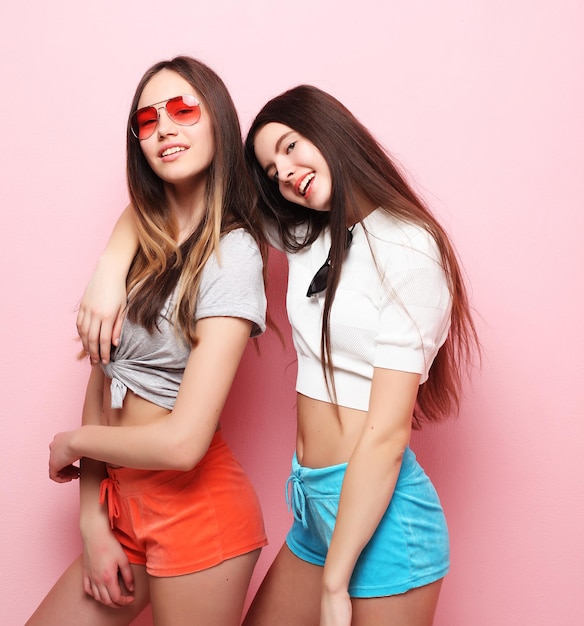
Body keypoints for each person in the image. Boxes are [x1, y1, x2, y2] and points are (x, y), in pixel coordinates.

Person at [77, 85, 479, 626]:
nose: (284, 172)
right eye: (270, 169)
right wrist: (108, 269)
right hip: (314, 505)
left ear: (332, 132)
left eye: (291, 147)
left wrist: (335, 583)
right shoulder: (304, 232)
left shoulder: (410, 248)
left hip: (381, 517)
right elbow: (183, 201)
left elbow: (386, 435)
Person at [26, 56, 269, 626]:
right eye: (147, 119)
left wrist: (73, 443)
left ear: (220, 125)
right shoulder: (142, 237)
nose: (164, 127)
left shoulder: (234, 256)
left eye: (185, 110)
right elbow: (104, 374)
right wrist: (92, 520)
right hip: (121, 506)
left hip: (198, 511)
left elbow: (184, 444)